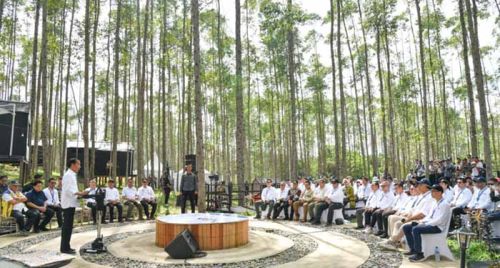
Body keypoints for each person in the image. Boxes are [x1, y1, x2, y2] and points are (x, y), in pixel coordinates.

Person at [381, 179, 434, 251]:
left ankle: (393, 241)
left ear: (426, 186)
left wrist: (409, 219)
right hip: (413, 217)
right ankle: (394, 241)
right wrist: (408, 216)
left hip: (420, 220)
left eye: (420, 185)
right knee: (396, 222)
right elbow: (414, 209)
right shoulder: (423, 196)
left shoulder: (429, 198)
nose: (418, 187)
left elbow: (422, 214)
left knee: (401, 224)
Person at [403, 185, 451, 262]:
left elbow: (439, 220)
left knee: (416, 229)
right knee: (406, 227)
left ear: (440, 193)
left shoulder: (445, 204)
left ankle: (419, 254)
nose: (432, 193)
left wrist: (425, 224)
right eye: (431, 191)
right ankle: (413, 249)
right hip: (430, 223)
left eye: (434, 191)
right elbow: (429, 216)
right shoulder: (435, 202)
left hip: (437, 227)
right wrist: (422, 222)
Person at [60, 158, 87, 254]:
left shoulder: (72, 175)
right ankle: (64, 248)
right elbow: (68, 190)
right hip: (68, 204)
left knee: (69, 226)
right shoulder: (68, 175)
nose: (80, 166)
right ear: (73, 164)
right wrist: (79, 193)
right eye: (78, 164)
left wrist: (79, 194)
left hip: (71, 203)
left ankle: (66, 246)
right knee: (67, 227)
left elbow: (72, 189)